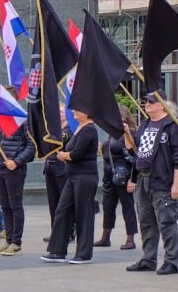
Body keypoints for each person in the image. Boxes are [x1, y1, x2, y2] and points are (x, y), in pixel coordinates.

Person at [125, 94, 178, 276]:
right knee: (145, 221)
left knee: (166, 221)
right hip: (143, 178)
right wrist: (126, 133)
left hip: (162, 180)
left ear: (163, 105)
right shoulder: (145, 124)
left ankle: (171, 261)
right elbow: (135, 148)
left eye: (152, 102)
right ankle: (148, 259)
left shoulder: (171, 125)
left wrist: (177, 184)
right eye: (146, 101)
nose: (147, 104)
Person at [41, 107, 100, 264]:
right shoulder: (79, 128)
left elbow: (76, 154)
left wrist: (62, 156)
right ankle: (57, 250)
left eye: (78, 109)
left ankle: (84, 253)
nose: (73, 111)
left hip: (85, 177)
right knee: (62, 210)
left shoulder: (89, 129)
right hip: (72, 176)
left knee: (84, 215)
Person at [0, 109, 35, 256]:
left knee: (15, 206)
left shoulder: (22, 119)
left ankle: (16, 242)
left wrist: (17, 161)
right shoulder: (0, 119)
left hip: (14, 168)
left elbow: (31, 146)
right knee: (5, 206)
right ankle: (8, 240)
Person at [96, 104, 137, 250]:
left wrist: (133, 179)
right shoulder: (112, 133)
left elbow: (134, 154)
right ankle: (105, 237)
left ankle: (130, 238)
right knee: (108, 206)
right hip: (109, 174)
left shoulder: (129, 132)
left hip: (123, 174)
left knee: (128, 206)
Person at [43, 104, 71, 243]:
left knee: (63, 202)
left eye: (60, 111)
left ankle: (68, 230)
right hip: (50, 166)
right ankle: (55, 229)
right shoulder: (53, 129)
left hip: (61, 168)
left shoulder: (69, 129)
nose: (58, 114)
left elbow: (57, 142)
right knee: (53, 202)